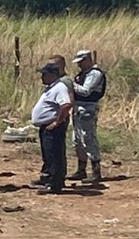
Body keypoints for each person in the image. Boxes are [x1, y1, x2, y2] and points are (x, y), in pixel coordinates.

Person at [32, 63, 73, 194]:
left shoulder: (59, 87)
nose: (42, 77)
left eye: (45, 74)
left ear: (53, 75)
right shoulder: (52, 88)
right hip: (46, 126)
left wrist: (57, 122)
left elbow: (66, 105)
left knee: (54, 155)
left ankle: (54, 184)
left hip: (53, 127)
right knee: (49, 154)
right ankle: (52, 180)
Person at [70, 50, 107, 186]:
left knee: (88, 138)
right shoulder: (84, 74)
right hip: (78, 108)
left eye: (81, 62)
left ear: (87, 60)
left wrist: (71, 84)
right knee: (77, 140)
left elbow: (86, 91)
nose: (79, 65)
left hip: (88, 108)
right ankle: (81, 169)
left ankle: (96, 171)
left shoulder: (94, 74)